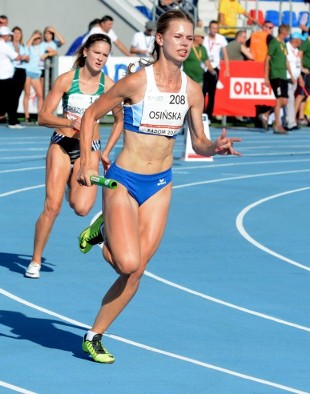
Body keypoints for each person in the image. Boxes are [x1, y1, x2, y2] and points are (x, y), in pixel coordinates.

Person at [75, 9, 241, 364]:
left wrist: (216, 147)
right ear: (160, 39)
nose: (185, 43)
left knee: (135, 271)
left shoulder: (192, 90)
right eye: (178, 37)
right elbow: (91, 115)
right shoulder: (137, 82)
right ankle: (104, 227)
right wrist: (89, 161)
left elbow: (198, 142)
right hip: (124, 180)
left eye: (190, 38)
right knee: (127, 261)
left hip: (160, 184)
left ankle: (94, 335)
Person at [25, 34, 122, 279]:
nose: (101, 58)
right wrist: (69, 121)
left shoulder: (109, 86)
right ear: (86, 51)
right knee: (52, 206)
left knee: (81, 208)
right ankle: (35, 260)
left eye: (105, 55)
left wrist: (107, 152)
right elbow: (43, 116)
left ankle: (72, 187)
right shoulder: (67, 80)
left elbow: (120, 120)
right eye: (97, 52)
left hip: (90, 149)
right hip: (62, 144)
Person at [259, 24, 295, 134]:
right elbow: (267, 59)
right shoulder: (274, 43)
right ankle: (277, 125)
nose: (288, 35)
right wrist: (266, 77)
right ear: (283, 32)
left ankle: (265, 115)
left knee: (284, 102)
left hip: (283, 75)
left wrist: (291, 75)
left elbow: (286, 60)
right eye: (287, 33)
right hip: (275, 74)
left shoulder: (283, 44)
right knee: (279, 100)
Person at [202, 20, 229, 122]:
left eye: (216, 28)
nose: (214, 30)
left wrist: (227, 68)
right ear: (209, 28)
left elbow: (225, 54)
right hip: (204, 68)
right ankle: (201, 114)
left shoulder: (221, 39)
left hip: (215, 68)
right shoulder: (204, 39)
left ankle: (209, 116)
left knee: (212, 93)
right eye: (212, 28)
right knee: (202, 92)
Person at [24, 30, 52, 123]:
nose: (37, 40)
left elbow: (54, 51)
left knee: (40, 95)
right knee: (27, 94)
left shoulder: (43, 46)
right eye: (35, 38)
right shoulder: (30, 46)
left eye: (39, 38)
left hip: (37, 72)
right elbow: (26, 47)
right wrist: (32, 38)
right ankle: (26, 116)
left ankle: (39, 116)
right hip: (28, 71)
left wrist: (47, 54)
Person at [286, 32, 304, 130]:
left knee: (289, 100)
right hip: (288, 77)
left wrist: (300, 77)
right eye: (300, 40)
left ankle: (290, 121)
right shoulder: (287, 48)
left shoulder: (296, 50)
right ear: (295, 40)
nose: (301, 42)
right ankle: (290, 122)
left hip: (295, 78)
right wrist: (292, 76)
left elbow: (297, 65)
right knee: (290, 100)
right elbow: (287, 63)